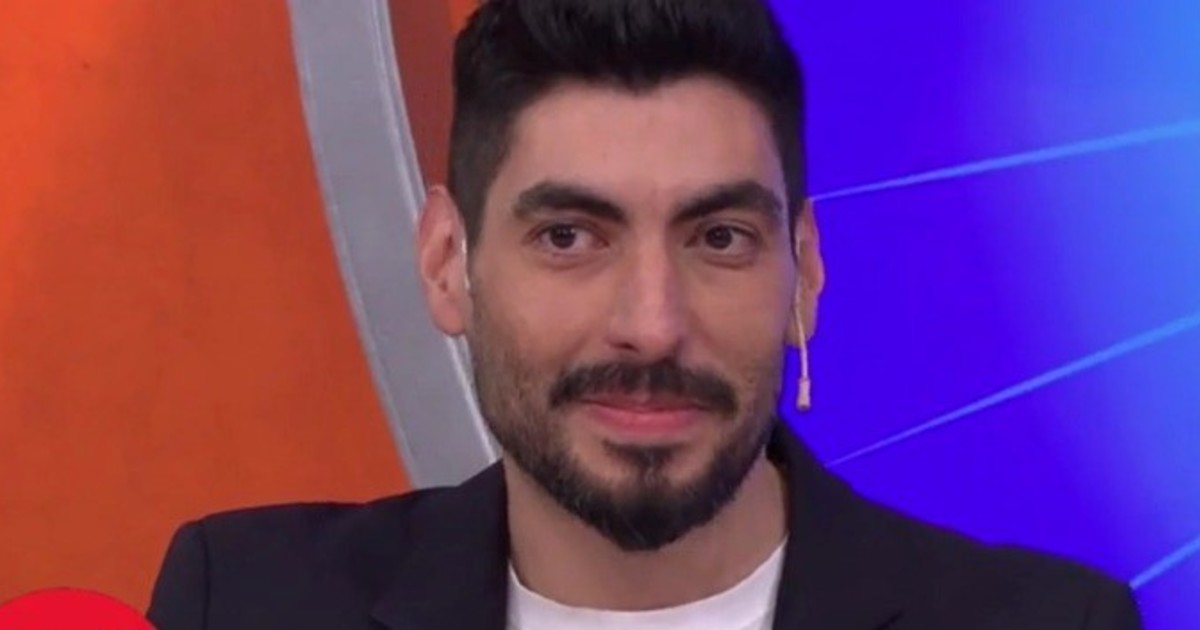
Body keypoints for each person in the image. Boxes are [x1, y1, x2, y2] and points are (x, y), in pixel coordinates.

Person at [146, 0, 1143, 628]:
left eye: (719, 238)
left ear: (804, 272)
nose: (653, 325)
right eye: (569, 237)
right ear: (448, 264)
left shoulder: (1047, 622)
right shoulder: (245, 602)